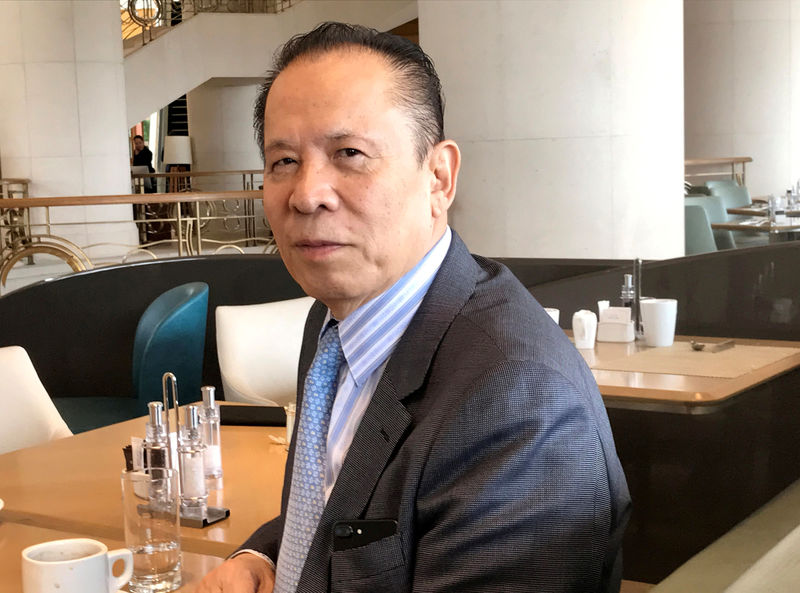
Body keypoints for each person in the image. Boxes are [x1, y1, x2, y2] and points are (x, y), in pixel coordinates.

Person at [198, 22, 630, 593]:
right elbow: (345, 510)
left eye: (349, 153)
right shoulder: (333, 325)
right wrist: (260, 557)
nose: (306, 194)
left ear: (438, 177)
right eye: (283, 162)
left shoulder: (519, 406)